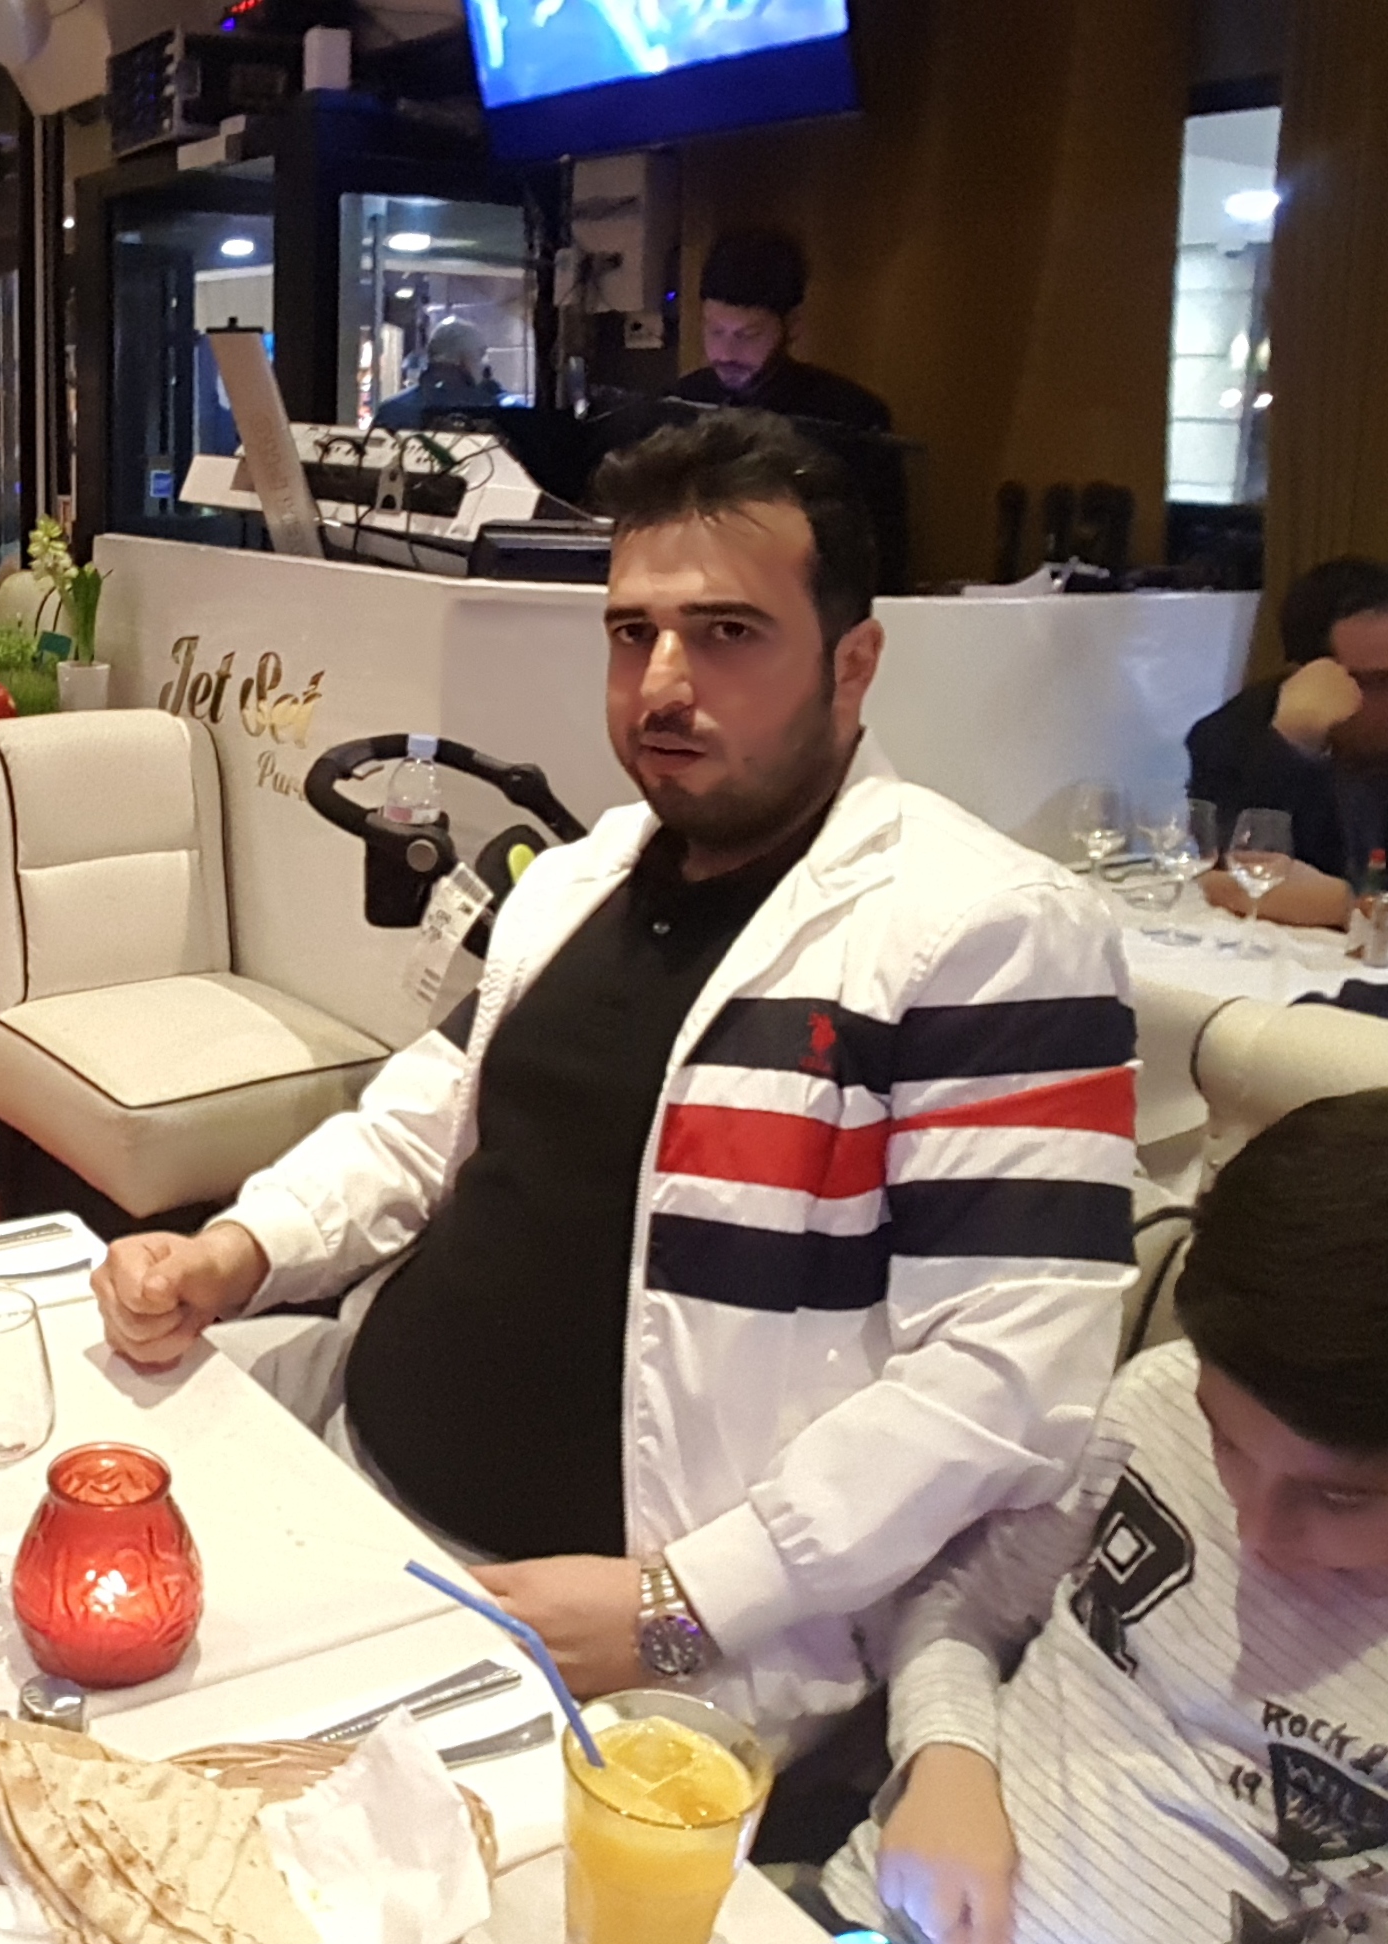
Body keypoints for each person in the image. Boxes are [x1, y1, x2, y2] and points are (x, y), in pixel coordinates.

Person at [90, 411, 1137, 1818]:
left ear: (853, 662)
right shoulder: (581, 877)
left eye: (728, 634)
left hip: (627, 1640)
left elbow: (1008, 1375)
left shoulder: (986, 933)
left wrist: (680, 1602)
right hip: (350, 1467)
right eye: (632, 632)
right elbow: (423, 1124)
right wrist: (242, 1249)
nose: (662, 684)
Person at [820, 1089, 1388, 1944]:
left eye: (1340, 1498)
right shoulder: (1156, 1402)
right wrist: (947, 1758)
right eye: (1225, 1442)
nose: (1257, 1532)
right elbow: (961, 1607)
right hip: (872, 1917)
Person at [665, 230, 909, 592]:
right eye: (715, 331)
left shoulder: (850, 415)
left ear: (792, 325)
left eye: (747, 335)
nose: (726, 353)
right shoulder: (679, 405)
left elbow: (881, 557)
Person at [1185, 554, 1388, 932]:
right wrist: (1291, 744)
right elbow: (1232, 879)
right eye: (1378, 681)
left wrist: (1349, 907)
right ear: (1309, 678)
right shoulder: (1229, 737)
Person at [373, 317, 505, 430]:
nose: (484, 363)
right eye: (480, 354)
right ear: (461, 360)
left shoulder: (393, 409)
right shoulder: (494, 410)